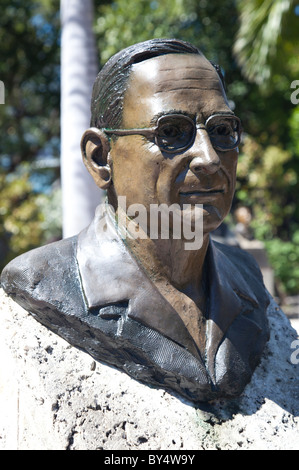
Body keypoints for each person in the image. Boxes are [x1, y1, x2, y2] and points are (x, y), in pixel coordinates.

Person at [1, 39, 270, 403]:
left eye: (222, 130)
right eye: (172, 132)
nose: (209, 158)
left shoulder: (247, 277)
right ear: (100, 158)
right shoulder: (41, 281)